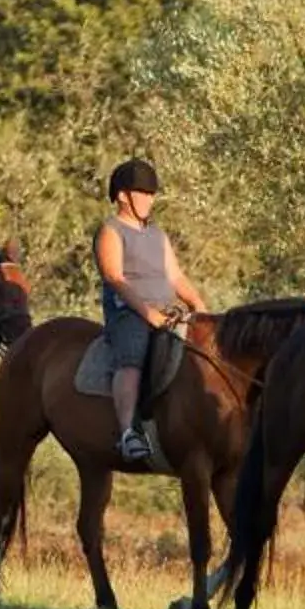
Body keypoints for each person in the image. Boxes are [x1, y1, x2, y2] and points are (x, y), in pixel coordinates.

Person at [94, 157, 208, 464]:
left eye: (152, 193)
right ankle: (128, 433)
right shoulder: (111, 231)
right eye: (142, 192)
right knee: (132, 357)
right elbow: (115, 277)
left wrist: (199, 306)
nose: (149, 199)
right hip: (129, 314)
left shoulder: (158, 235)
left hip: (167, 310)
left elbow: (175, 276)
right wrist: (148, 314)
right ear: (122, 195)